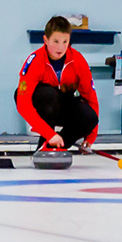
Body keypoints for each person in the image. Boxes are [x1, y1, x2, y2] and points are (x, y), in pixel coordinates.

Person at [16, 16, 100, 152]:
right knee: (48, 95)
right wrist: (49, 134)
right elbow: (23, 103)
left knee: (90, 117)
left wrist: (91, 136)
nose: (60, 47)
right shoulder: (35, 61)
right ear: (46, 40)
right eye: (56, 41)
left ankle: (53, 148)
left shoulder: (78, 61)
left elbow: (91, 98)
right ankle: (48, 140)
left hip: (64, 105)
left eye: (65, 41)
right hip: (43, 105)